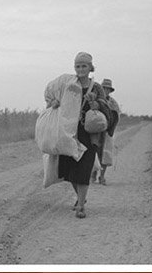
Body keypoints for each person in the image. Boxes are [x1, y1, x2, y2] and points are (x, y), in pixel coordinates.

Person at [45, 52, 112, 219]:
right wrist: (53, 102)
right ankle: (80, 198)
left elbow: (105, 110)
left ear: (90, 68)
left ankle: (81, 205)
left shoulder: (96, 87)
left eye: (84, 66)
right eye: (78, 66)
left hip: (89, 135)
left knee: (84, 169)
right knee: (70, 171)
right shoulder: (67, 83)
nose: (81, 69)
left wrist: (93, 102)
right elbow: (54, 97)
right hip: (69, 133)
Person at [91, 77, 121, 185]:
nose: (105, 90)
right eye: (104, 88)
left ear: (110, 90)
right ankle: (93, 176)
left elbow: (116, 117)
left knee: (105, 154)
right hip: (96, 131)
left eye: (107, 89)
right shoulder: (95, 100)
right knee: (94, 154)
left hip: (108, 131)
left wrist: (111, 130)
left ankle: (102, 177)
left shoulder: (113, 103)